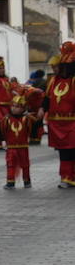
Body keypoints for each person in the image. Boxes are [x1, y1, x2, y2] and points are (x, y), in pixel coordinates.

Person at [42, 43, 75, 188]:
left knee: (72, 149)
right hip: (57, 124)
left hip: (73, 122)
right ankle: (66, 177)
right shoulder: (54, 81)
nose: (61, 69)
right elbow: (48, 98)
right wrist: (42, 109)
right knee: (64, 151)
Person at [0, 95, 34, 189]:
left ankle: (27, 181)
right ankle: (10, 182)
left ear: (23, 108)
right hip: (11, 147)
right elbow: (2, 131)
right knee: (10, 164)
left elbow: (31, 129)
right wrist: (3, 141)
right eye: (13, 106)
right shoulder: (6, 119)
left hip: (23, 146)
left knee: (25, 164)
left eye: (18, 107)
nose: (14, 108)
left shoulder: (26, 119)